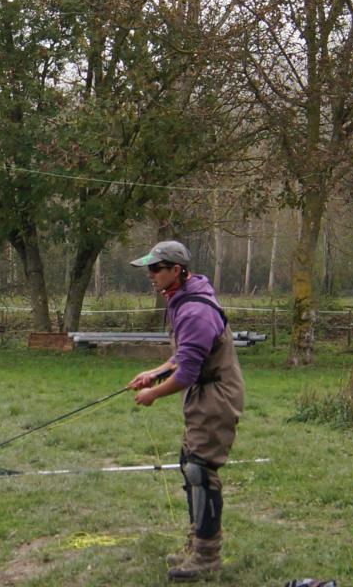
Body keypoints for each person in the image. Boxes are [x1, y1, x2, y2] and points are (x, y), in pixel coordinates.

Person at [126, 240, 245, 582]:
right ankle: (196, 542)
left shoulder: (194, 309)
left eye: (155, 268)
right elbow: (185, 356)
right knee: (188, 462)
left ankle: (207, 556)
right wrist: (154, 372)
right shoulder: (182, 296)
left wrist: (154, 393)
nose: (150, 275)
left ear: (175, 270)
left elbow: (188, 373)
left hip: (216, 392)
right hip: (203, 389)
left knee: (200, 470)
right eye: (148, 268)